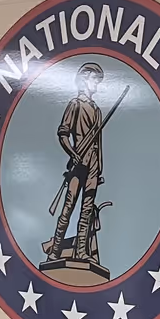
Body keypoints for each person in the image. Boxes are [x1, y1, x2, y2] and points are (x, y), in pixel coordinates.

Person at [47, 62, 106, 263]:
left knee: (87, 211)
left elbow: (98, 142)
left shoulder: (97, 110)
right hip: (77, 165)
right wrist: (72, 154)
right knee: (68, 208)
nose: (96, 85)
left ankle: (81, 252)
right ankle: (55, 251)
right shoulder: (75, 104)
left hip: (93, 167)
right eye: (94, 80)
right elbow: (63, 133)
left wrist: (99, 170)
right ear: (84, 79)